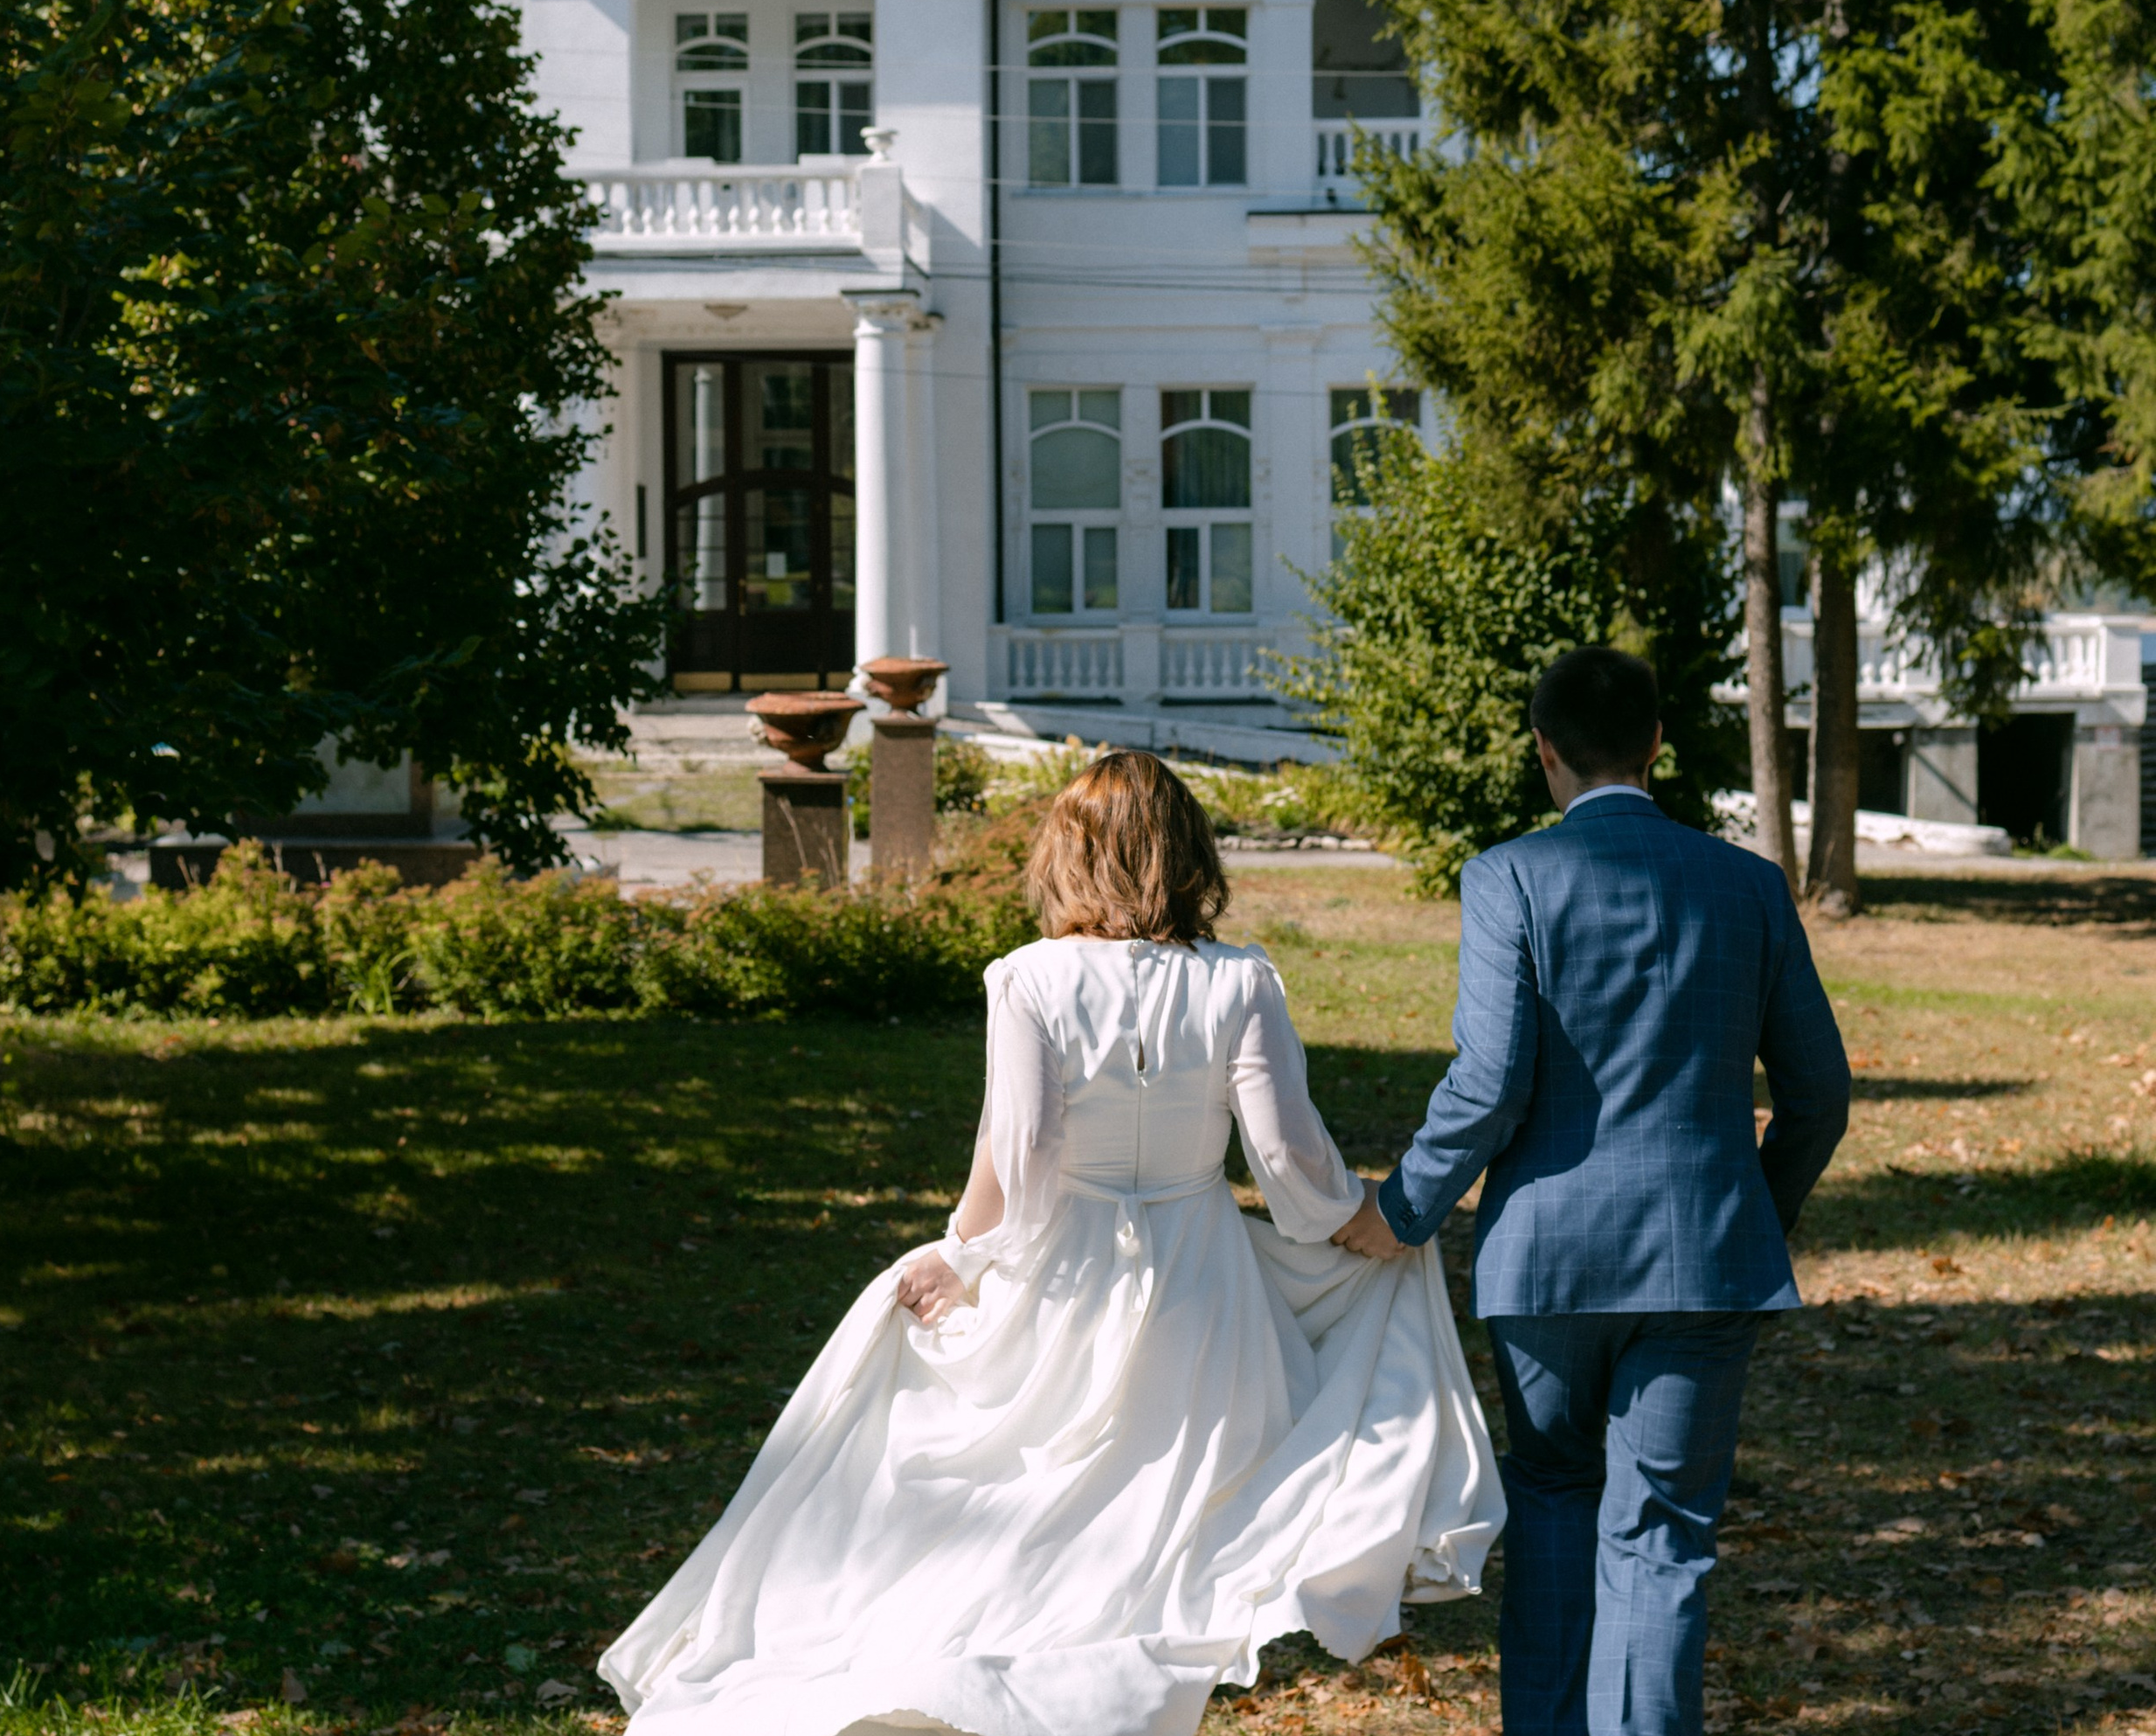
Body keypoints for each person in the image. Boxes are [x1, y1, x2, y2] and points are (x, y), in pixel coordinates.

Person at [600, 749, 1504, 1736]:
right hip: (1197, 1264)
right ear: (1187, 852)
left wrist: (972, 1250)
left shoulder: (1028, 977)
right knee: (1167, 1473)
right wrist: (1344, 1219)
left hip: (1071, 1251)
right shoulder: (1241, 979)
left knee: (1037, 1457)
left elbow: (1020, 1143)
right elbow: (1282, 1150)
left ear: (1067, 857)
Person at [1365, 645, 1853, 1736]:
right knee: (1662, 1538)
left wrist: (1399, 1209)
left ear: (1544, 752)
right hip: (1705, 1259)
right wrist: (1751, 1220)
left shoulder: (1508, 877)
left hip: (1545, 1262)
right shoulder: (1750, 885)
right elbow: (1819, 1094)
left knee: (1549, 1503)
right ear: (1657, 746)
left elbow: (1489, 1082)